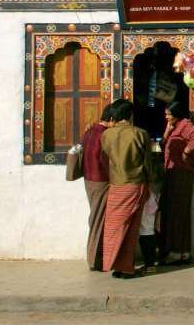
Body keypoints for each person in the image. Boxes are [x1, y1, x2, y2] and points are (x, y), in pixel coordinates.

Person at [101, 99, 153, 279]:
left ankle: (115, 265)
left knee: (114, 227)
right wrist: (150, 183)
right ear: (130, 115)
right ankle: (127, 268)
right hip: (135, 183)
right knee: (131, 228)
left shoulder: (106, 135)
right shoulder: (140, 133)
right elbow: (147, 164)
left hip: (116, 184)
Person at [160, 101, 194, 265]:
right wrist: (166, 131)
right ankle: (183, 251)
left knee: (178, 212)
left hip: (181, 173)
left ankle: (177, 251)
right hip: (173, 172)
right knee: (177, 212)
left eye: (168, 114)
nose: (166, 117)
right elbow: (163, 145)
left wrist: (186, 151)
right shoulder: (174, 126)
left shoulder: (186, 125)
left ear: (176, 114)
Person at [80, 103, 116, 271]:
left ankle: (97, 257)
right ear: (110, 119)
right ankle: (96, 260)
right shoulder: (104, 135)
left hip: (89, 179)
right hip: (101, 180)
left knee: (95, 217)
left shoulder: (89, 131)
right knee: (99, 220)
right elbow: (105, 160)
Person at [138, 172, 162, 274]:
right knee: (147, 234)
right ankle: (150, 265)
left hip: (147, 210)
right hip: (150, 209)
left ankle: (150, 265)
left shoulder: (145, 191)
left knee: (146, 236)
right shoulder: (150, 191)